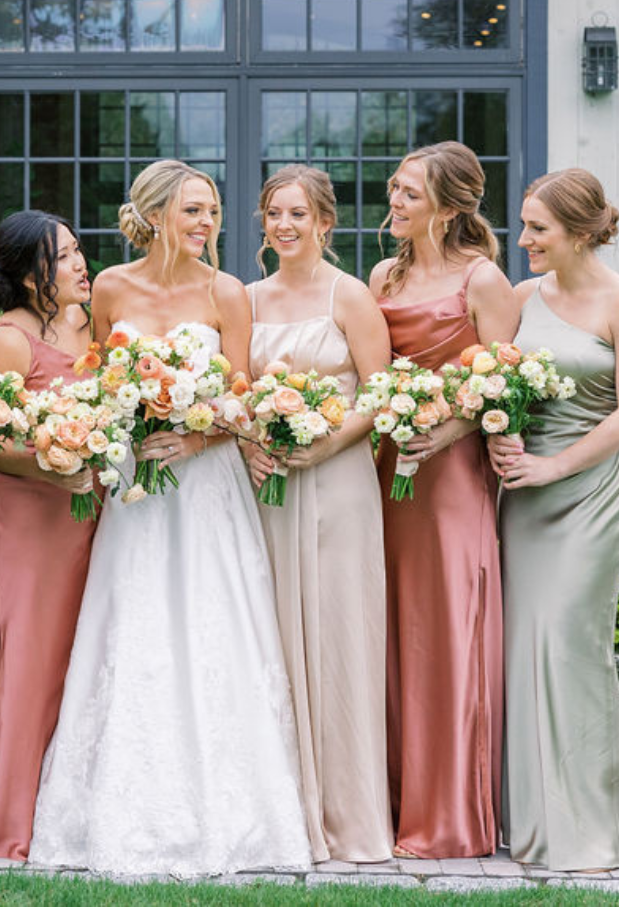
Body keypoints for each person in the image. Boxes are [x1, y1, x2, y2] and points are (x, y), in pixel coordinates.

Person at [29, 159, 310, 875]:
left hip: (208, 487)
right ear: (155, 215)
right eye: (192, 211)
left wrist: (195, 434)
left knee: (214, 626)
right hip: (135, 491)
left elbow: (241, 400)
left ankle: (236, 809)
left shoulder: (228, 293)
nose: (206, 223)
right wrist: (111, 427)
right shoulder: (113, 288)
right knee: (134, 623)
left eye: (212, 210)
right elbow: (94, 378)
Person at [489, 169, 619, 871]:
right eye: (524, 225)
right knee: (520, 646)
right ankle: (525, 821)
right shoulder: (525, 298)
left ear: (582, 231)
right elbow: (490, 380)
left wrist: (556, 467)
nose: (523, 239)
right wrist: (499, 429)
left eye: (538, 228)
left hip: (587, 494)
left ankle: (587, 831)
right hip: (520, 495)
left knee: (570, 646)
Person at [368, 141, 518, 859]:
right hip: (389, 472)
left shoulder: (484, 280)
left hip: (453, 475)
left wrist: (447, 426)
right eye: (394, 189)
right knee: (392, 628)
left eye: (410, 195)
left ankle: (449, 814)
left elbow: (508, 386)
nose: (394, 203)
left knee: (446, 629)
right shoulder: (381, 277)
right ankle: (391, 802)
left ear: (452, 207)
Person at [244, 164, 394, 863]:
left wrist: (325, 442)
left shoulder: (351, 296)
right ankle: (278, 811)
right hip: (266, 490)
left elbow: (380, 395)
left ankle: (349, 817)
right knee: (266, 638)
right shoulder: (245, 299)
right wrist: (252, 443)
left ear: (325, 223)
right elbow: (230, 393)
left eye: (298, 214)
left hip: (338, 487)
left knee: (339, 639)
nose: (284, 225)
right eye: (274, 213)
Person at [0, 211, 97, 860]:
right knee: (28, 660)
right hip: (28, 520)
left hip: (91, 517)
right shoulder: (9, 342)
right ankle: (8, 826)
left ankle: (66, 809)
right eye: (64, 257)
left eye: (78, 251)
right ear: (27, 274)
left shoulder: (90, 325)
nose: (80, 265)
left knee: (83, 656)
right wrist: (52, 461)